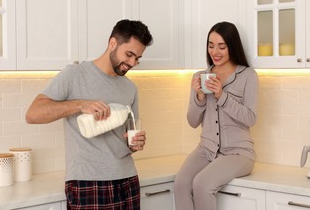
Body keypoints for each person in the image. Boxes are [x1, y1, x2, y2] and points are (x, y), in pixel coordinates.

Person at [25, 19, 153, 209]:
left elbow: (128, 139)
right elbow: (33, 114)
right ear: (112, 43)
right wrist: (79, 105)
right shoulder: (75, 74)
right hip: (88, 182)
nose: (132, 63)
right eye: (129, 54)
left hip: (127, 180)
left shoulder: (130, 88)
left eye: (138, 58)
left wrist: (136, 143)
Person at [174, 21, 258, 210]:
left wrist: (221, 95)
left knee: (202, 184)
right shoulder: (200, 76)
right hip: (206, 149)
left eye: (222, 46)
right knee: (181, 184)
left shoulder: (248, 76)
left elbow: (250, 118)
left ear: (232, 46)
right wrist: (200, 96)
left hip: (239, 152)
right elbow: (192, 121)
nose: (215, 51)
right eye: (211, 45)